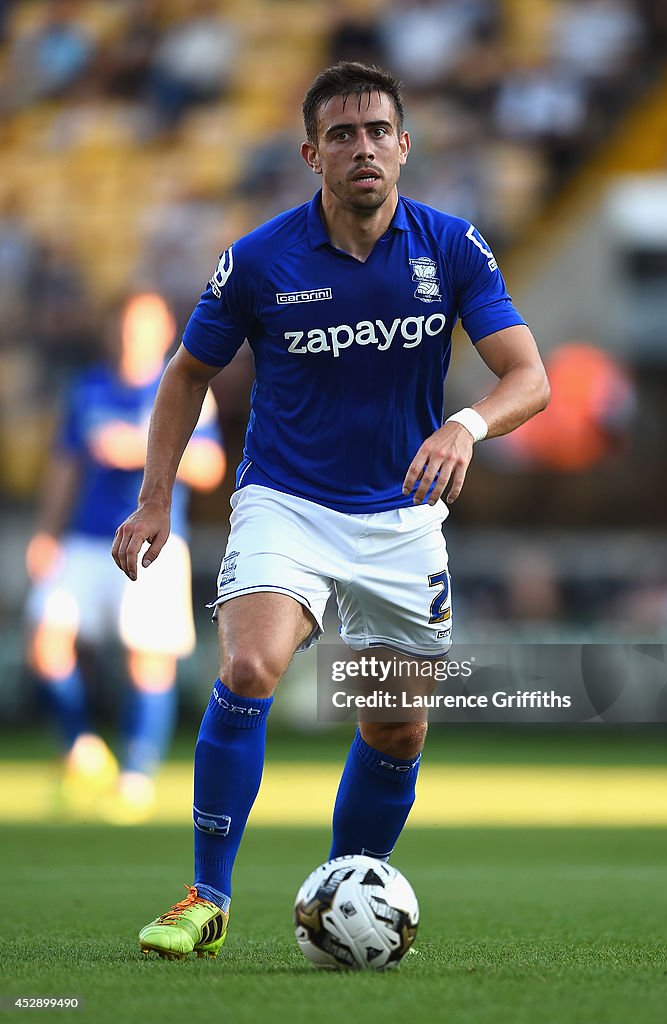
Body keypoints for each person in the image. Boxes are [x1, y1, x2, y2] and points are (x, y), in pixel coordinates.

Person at [112, 62, 550, 958]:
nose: (363, 148)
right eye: (342, 135)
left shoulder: (451, 247)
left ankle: (341, 901)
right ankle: (207, 899)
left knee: (395, 725)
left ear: (403, 146)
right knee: (249, 668)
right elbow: (187, 373)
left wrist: (463, 427)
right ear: (312, 154)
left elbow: (529, 377)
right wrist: (155, 498)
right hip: (286, 503)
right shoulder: (260, 258)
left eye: (377, 131)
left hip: (402, 517)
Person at [26, 292, 225, 823]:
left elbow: (208, 466)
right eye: (123, 325)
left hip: (154, 541)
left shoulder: (184, 388)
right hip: (85, 539)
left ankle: (135, 777)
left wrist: (135, 447)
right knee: (45, 644)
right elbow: (65, 465)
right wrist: (47, 532)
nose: (130, 336)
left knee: (148, 659)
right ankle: (83, 752)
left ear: (163, 332)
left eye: (142, 326)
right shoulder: (88, 387)